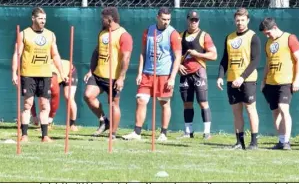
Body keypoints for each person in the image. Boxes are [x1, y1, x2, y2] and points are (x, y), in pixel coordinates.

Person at [122, 7, 182, 141]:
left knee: (164, 103)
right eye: (164, 19)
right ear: (157, 17)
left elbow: (178, 57)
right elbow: (143, 53)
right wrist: (139, 73)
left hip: (164, 74)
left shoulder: (173, 34)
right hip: (148, 73)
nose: (166, 22)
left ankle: (163, 133)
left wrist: (172, 77)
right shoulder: (148, 31)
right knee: (141, 100)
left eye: (168, 19)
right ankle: (137, 132)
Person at [11, 7, 67, 142]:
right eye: (40, 18)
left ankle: (45, 135)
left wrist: (61, 72)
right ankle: (24, 135)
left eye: (45, 19)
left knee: (44, 105)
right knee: (27, 104)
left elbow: (55, 55)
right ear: (33, 18)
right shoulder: (24, 34)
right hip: (28, 74)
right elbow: (17, 54)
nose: (43, 21)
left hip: (45, 75)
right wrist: (14, 73)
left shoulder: (50, 35)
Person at [83, 7, 133, 139]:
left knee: (114, 104)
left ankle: (113, 133)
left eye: (103, 19)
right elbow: (96, 52)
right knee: (88, 96)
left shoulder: (124, 35)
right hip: (98, 74)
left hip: (113, 77)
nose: (101, 21)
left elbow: (126, 58)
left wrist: (121, 78)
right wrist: (91, 71)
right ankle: (104, 120)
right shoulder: (102, 33)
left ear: (110, 19)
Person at [217, 8, 261, 150]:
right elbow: (225, 59)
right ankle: (239, 142)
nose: (240, 23)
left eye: (242, 20)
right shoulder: (229, 37)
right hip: (232, 79)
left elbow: (255, 61)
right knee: (236, 111)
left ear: (247, 20)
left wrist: (242, 78)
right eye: (237, 20)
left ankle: (254, 142)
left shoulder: (253, 37)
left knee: (250, 109)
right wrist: (220, 76)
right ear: (234, 21)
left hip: (247, 80)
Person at [259, 17, 299, 150]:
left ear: (274, 27)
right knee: (275, 111)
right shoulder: (268, 43)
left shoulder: (290, 38)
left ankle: (287, 141)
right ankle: (281, 140)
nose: (267, 36)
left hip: (286, 81)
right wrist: (263, 81)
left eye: (268, 33)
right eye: (265, 34)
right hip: (271, 82)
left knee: (284, 108)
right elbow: (267, 64)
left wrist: (297, 79)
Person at [177, 11, 217, 140]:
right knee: (187, 103)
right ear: (187, 20)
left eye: (196, 20)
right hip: (184, 73)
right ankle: (188, 132)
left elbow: (213, 55)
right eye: (191, 19)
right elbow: (174, 54)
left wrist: (197, 54)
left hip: (199, 72)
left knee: (203, 102)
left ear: (199, 21)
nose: (193, 22)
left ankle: (207, 132)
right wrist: (178, 65)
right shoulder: (180, 35)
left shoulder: (204, 35)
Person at [30, 59, 79, 132]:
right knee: (43, 98)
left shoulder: (52, 77)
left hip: (69, 72)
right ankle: (45, 124)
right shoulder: (31, 75)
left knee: (69, 97)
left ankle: (72, 124)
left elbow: (55, 97)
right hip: (51, 73)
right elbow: (30, 97)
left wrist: (50, 118)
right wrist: (34, 116)